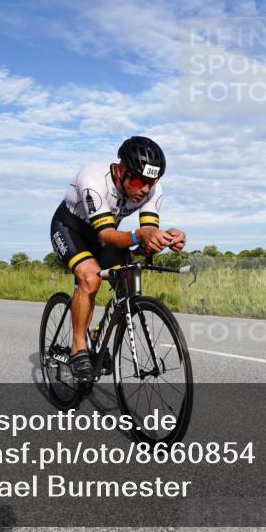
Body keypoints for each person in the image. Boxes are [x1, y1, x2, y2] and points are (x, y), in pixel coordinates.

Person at [50, 137, 186, 382]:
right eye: (139, 181)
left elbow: (145, 240)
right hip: (71, 229)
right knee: (90, 279)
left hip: (109, 236)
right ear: (120, 169)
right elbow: (105, 233)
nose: (145, 189)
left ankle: (97, 337)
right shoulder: (92, 178)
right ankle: (78, 348)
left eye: (152, 182)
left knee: (129, 275)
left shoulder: (153, 190)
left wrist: (164, 240)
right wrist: (140, 235)